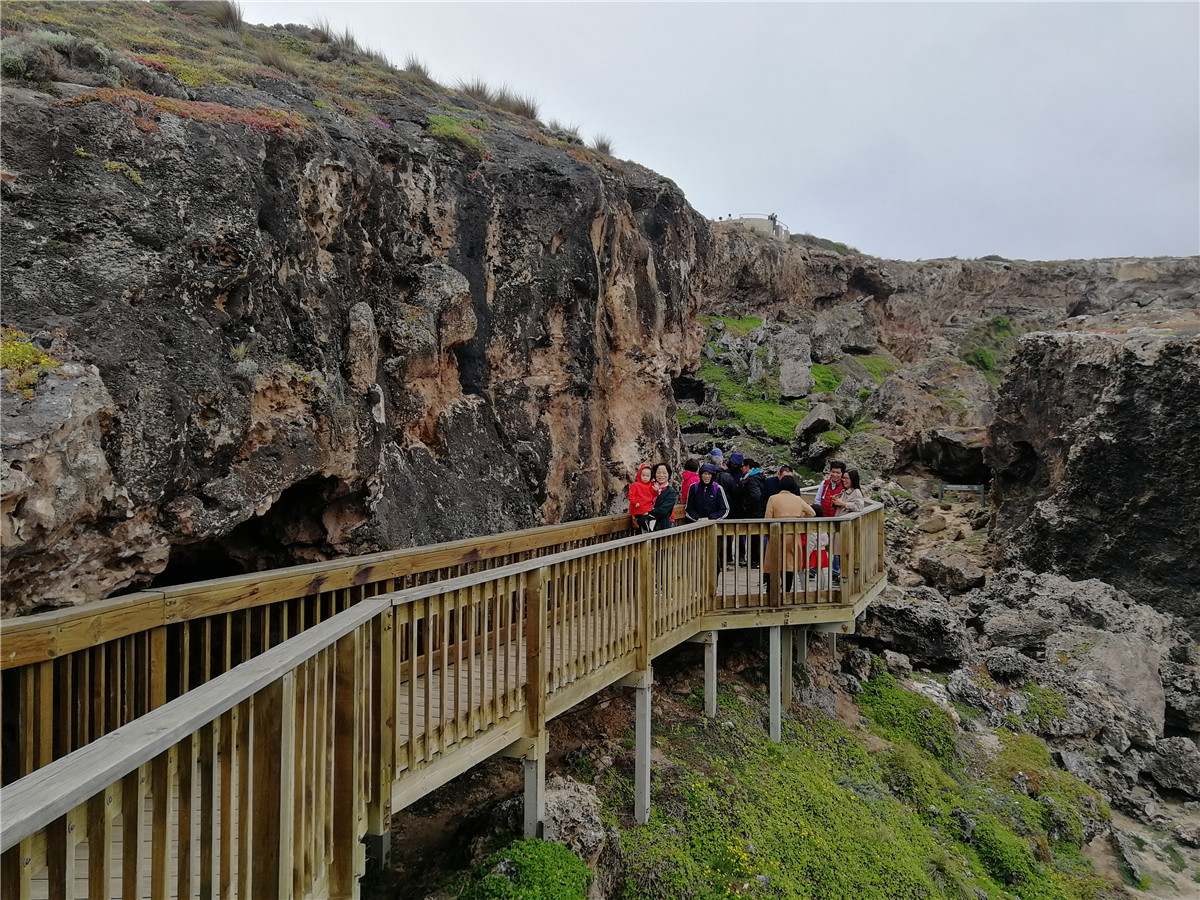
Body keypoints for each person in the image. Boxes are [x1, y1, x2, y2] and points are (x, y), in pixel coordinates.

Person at [762, 475, 815, 593]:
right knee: (789, 566)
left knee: (773, 565)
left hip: (776, 535)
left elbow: (767, 518)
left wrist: (768, 535)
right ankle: (786, 591)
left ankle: (771, 592)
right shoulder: (797, 499)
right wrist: (799, 518)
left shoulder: (773, 498)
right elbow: (812, 513)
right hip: (792, 537)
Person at [738, 458, 768, 567]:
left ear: (747, 467)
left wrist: (746, 503)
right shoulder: (761, 477)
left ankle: (754, 560)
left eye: (743, 466)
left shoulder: (751, 480)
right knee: (758, 536)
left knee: (753, 536)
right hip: (761, 510)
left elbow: (755, 495)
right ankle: (758, 559)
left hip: (754, 512)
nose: (741, 468)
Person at [647, 462, 677, 531]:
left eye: (664, 473)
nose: (661, 475)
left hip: (663, 527)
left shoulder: (671, 492)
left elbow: (662, 510)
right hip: (647, 526)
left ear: (668, 474)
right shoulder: (649, 487)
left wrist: (646, 512)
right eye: (658, 472)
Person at [628, 464, 656, 533]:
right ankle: (648, 529)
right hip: (638, 507)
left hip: (648, 506)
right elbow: (631, 496)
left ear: (651, 476)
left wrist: (656, 489)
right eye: (643, 475)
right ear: (639, 475)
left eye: (647, 476)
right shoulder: (635, 485)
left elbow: (654, 494)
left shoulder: (651, 484)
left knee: (653, 516)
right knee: (643, 519)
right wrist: (635, 502)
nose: (645, 477)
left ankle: (650, 529)